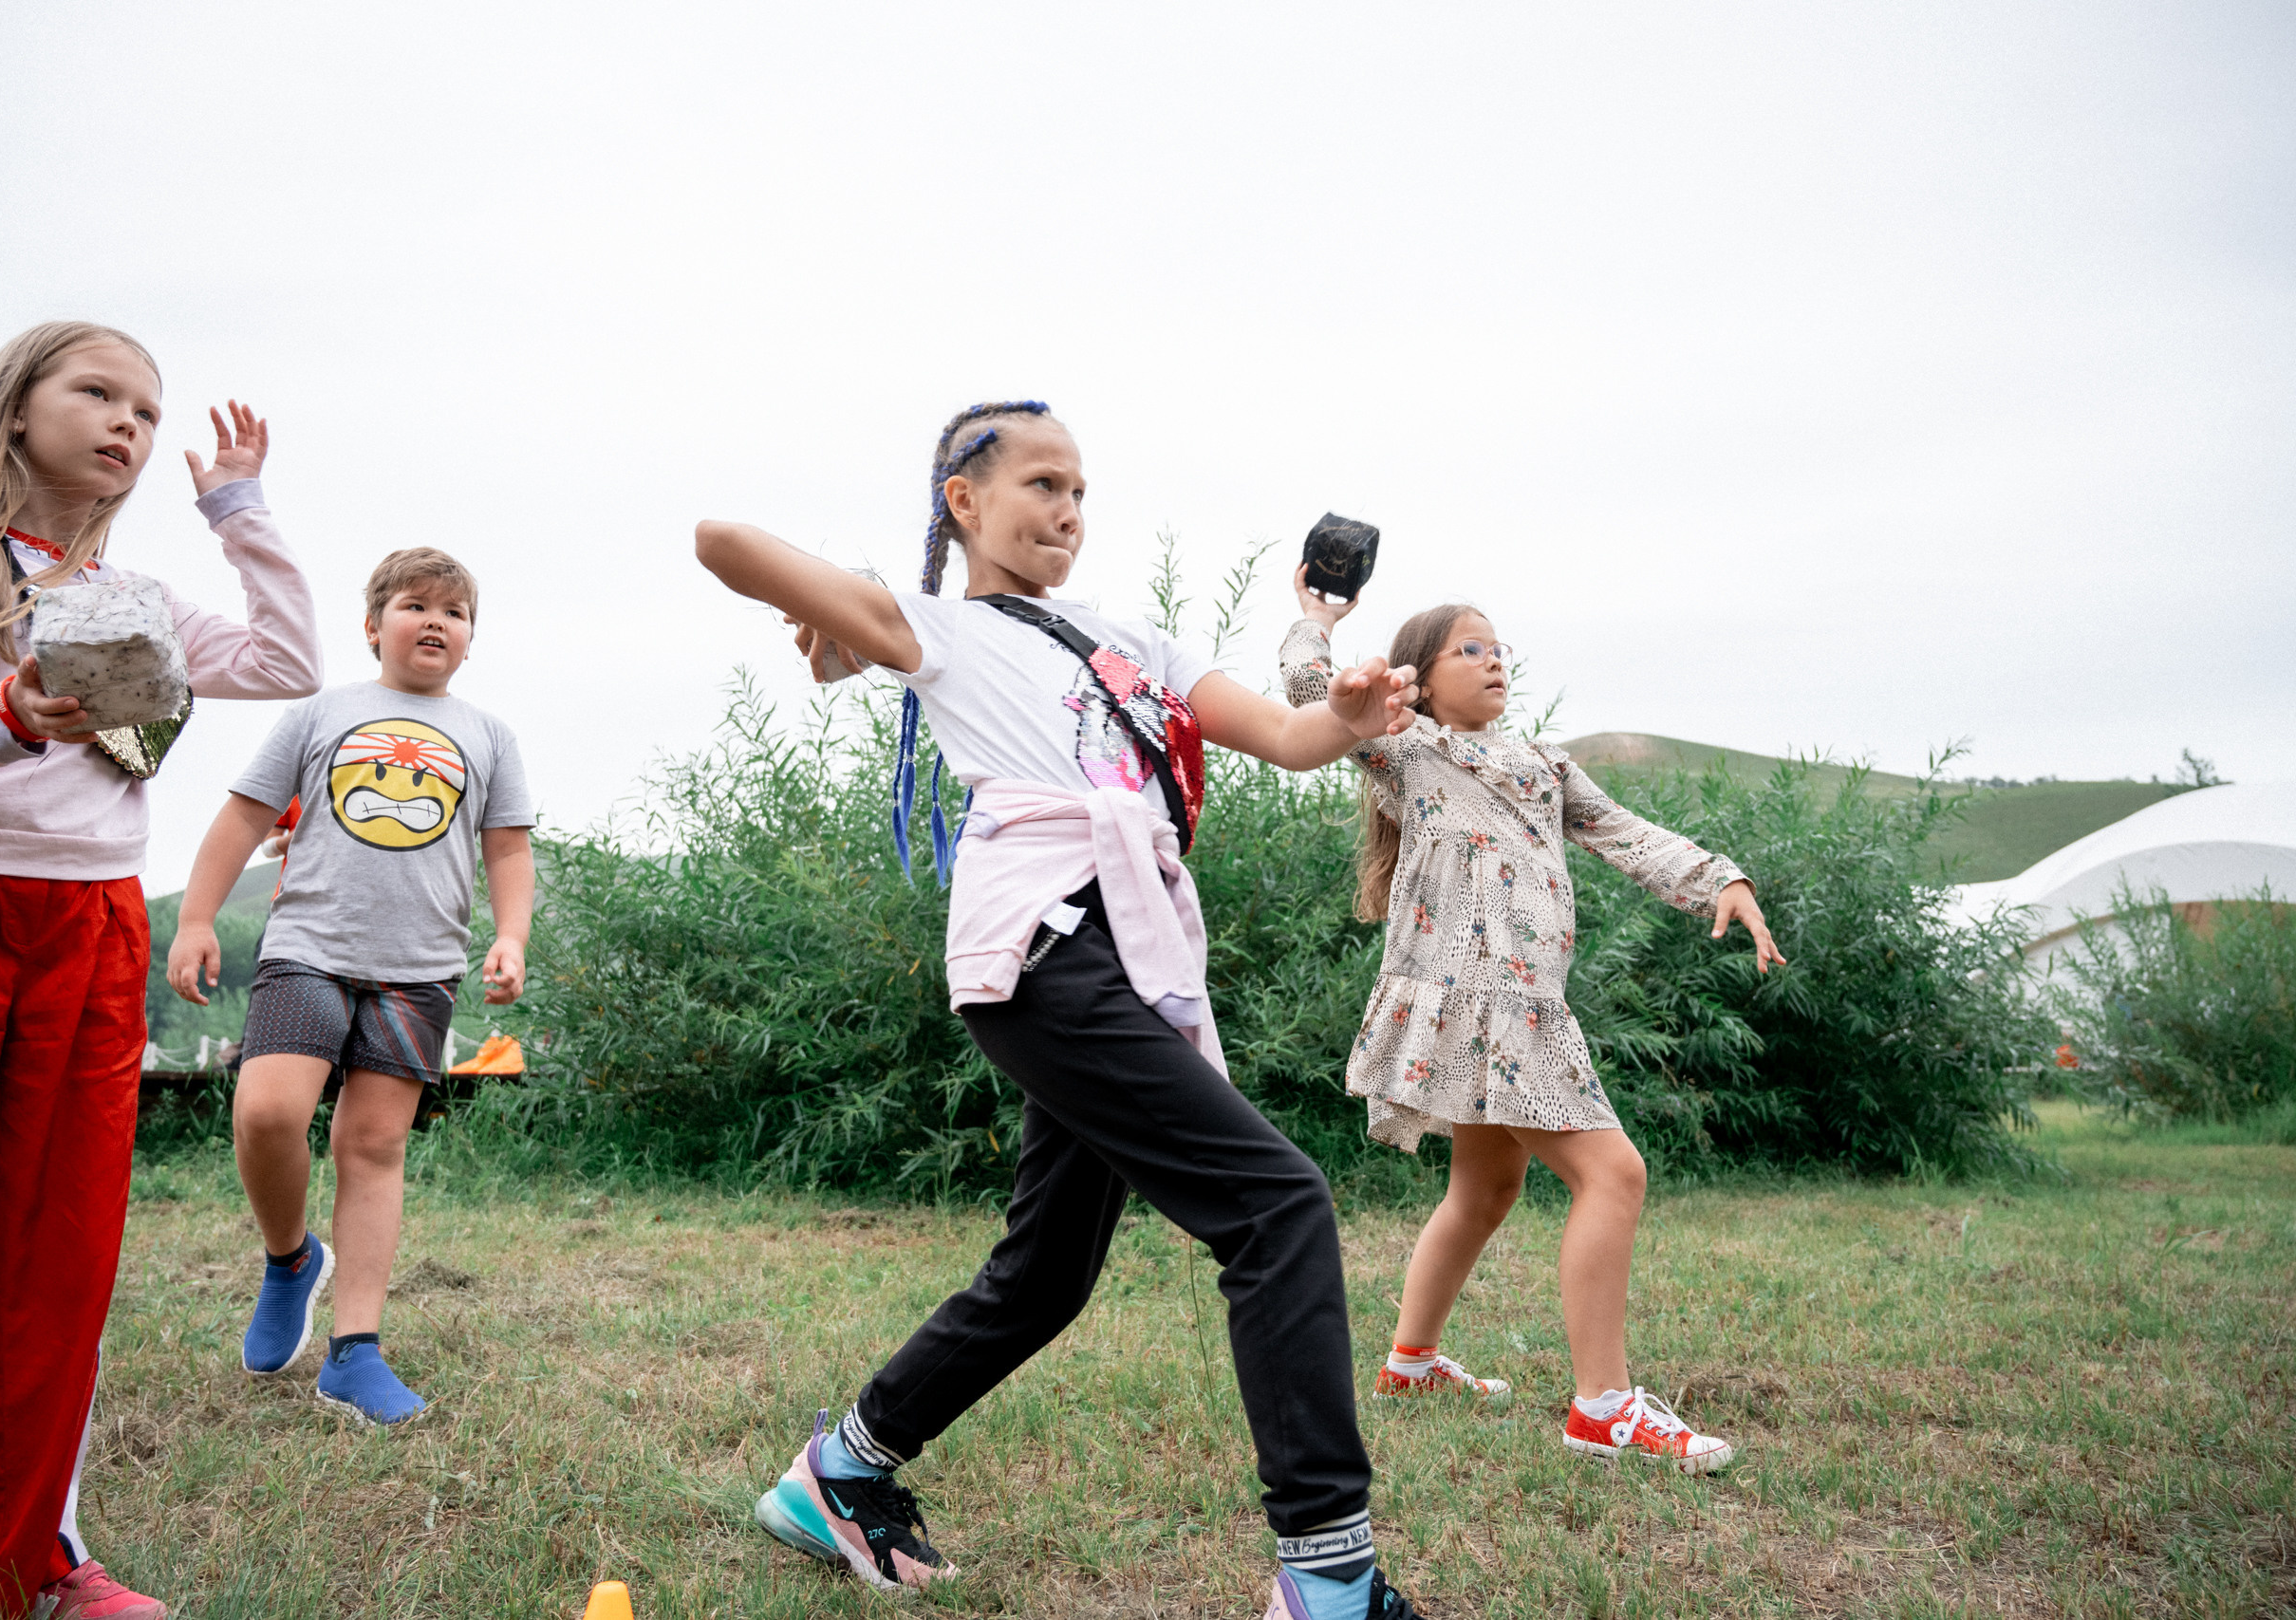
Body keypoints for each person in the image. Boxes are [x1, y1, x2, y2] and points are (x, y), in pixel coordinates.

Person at [697, 400, 1437, 1620]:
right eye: (1042, 484)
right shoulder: (931, 626)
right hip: (1040, 947)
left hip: (1130, 951)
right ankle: (1330, 1581)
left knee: (1045, 1274)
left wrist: (1349, 716)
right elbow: (719, 539)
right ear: (964, 501)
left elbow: (1285, 735)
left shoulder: (1124, 630)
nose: (1068, 513)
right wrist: (844, 614)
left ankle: (837, 1472)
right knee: (1278, 1204)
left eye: (1081, 492)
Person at [0, 322, 322, 1620]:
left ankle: (23, 1572)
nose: (127, 420)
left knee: (56, 1258)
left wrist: (240, 510)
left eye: (146, 406)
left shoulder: (131, 602)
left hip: (90, 924)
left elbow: (286, 662)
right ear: (18, 407)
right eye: (97, 391)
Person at [1279, 575, 1787, 1476]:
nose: (1493, 658)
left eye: (1498, 646)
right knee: (1615, 1174)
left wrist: (1722, 880)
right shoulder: (1408, 748)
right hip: (1478, 1001)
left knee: (1484, 1192)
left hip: (1524, 999)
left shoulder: (1547, 765)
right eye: (1468, 648)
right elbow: (1312, 693)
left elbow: (1628, 832)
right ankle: (1603, 1406)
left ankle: (1410, 1363)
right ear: (1421, 679)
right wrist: (1317, 622)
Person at [167, 546, 534, 1425]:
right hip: (310, 947)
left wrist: (511, 935)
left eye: (455, 611)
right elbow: (246, 813)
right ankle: (291, 1256)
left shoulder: (490, 734)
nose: (436, 621)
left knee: (373, 1147)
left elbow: (510, 847)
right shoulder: (323, 711)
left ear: (471, 640)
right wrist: (194, 917)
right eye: (415, 605)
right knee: (266, 1112)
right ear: (374, 626)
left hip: (422, 968)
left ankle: (353, 1352)